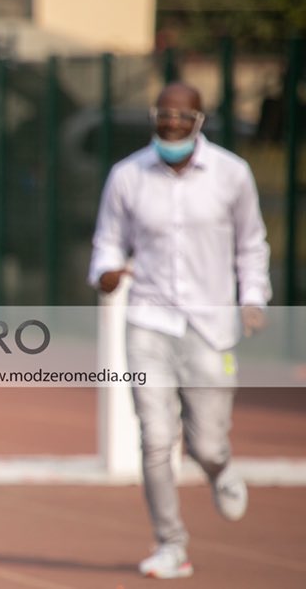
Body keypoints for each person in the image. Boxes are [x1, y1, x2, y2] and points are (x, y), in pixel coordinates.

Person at [89, 82, 271, 579]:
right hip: (148, 321)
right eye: (163, 114)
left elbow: (252, 244)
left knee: (206, 443)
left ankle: (219, 468)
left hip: (211, 325)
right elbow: (108, 242)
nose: (171, 123)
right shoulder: (127, 175)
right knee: (155, 437)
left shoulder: (232, 174)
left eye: (181, 115)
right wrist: (105, 272)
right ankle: (171, 544)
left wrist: (253, 298)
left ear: (199, 121)